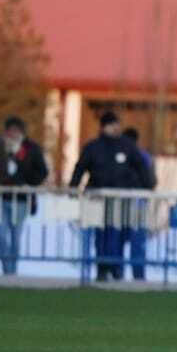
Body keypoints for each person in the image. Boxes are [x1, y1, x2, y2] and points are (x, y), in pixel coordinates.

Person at [69, 110, 151, 281]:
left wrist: (147, 186)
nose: (116, 128)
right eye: (112, 125)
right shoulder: (93, 147)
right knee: (99, 235)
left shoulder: (127, 146)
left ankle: (114, 267)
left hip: (119, 199)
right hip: (96, 197)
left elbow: (141, 167)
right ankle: (101, 268)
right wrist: (73, 187)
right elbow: (80, 167)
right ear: (104, 127)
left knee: (115, 235)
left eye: (117, 124)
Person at [0, 116, 48, 276]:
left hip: (21, 200)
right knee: (1, 236)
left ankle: (12, 271)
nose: (13, 134)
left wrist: (28, 183)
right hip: (1, 198)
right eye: (10, 130)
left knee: (15, 237)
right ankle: (5, 268)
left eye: (16, 130)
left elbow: (41, 172)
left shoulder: (31, 148)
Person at [122, 127, 156, 280]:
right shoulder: (145, 157)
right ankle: (138, 275)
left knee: (117, 239)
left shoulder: (122, 155)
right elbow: (152, 181)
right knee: (137, 241)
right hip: (139, 203)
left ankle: (116, 274)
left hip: (120, 203)